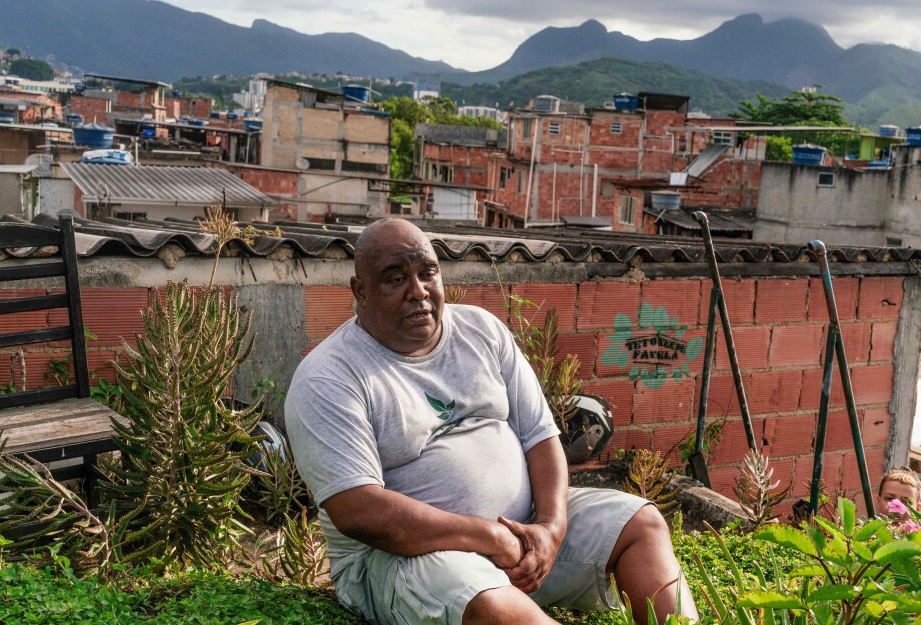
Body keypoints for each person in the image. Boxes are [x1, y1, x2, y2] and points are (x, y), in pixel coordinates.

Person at [285, 219, 697, 625]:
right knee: (487, 602)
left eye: (427, 272)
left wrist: (550, 529)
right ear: (361, 291)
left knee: (640, 523)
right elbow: (359, 511)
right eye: (395, 279)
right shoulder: (330, 377)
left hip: (522, 538)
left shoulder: (480, 330)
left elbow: (541, 436)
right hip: (405, 560)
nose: (419, 292)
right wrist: (490, 537)